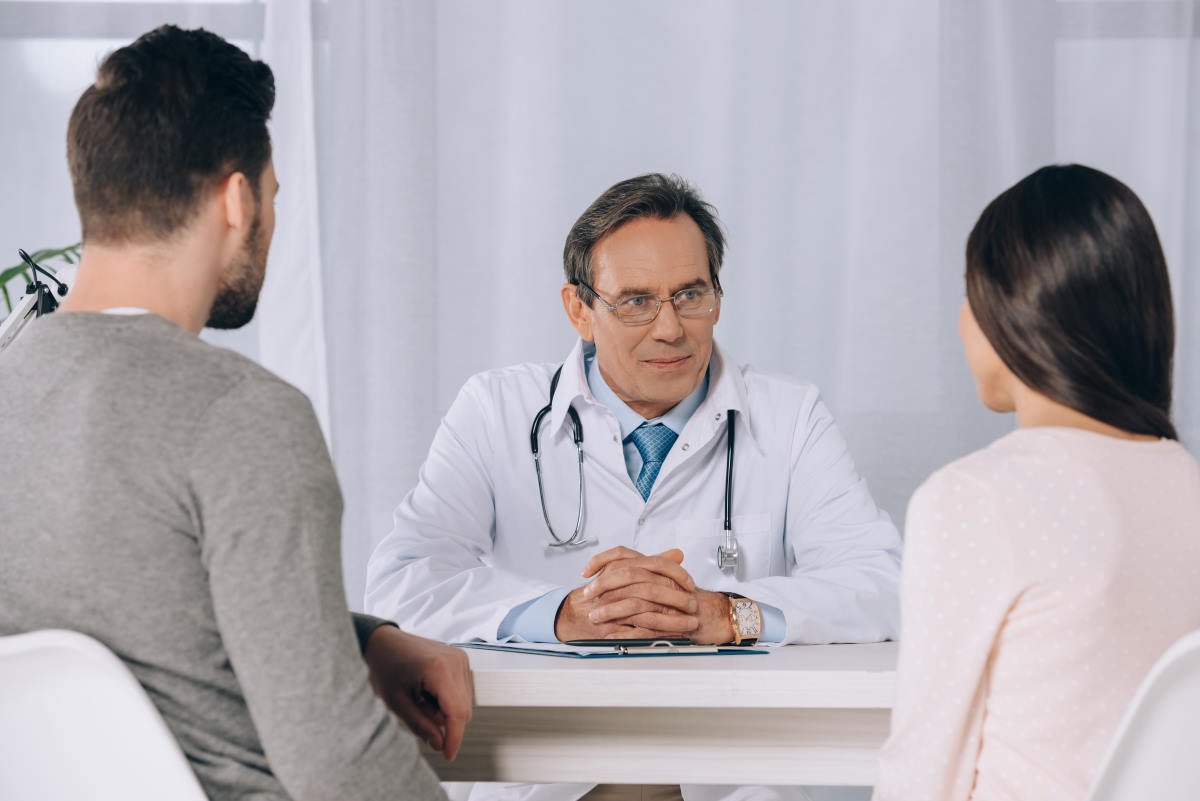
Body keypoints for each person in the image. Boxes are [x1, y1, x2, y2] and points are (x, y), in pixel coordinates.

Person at [0, 25, 472, 801]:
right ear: (237, 199)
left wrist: (360, 641)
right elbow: (340, 766)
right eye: (273, 196)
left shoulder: (14, 388)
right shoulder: (242, 417)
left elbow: (137, 621)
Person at [365, 173, 902, 801]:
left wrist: (728, 613)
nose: (670, 328)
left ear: (718, 296)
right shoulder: (495, 409)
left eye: (690, 294)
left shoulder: (790, 416)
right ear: (580, 310)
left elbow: (883, 584)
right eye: (636, 301)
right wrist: (564, 615)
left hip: (729, 773)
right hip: (545, 773)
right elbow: (402, 581)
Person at [873, 164, 1200, 801]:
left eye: (970, 293)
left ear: (1016, 306)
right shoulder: (1187, 484)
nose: (962, 319)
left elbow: (921, 774)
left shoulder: (974, 499)